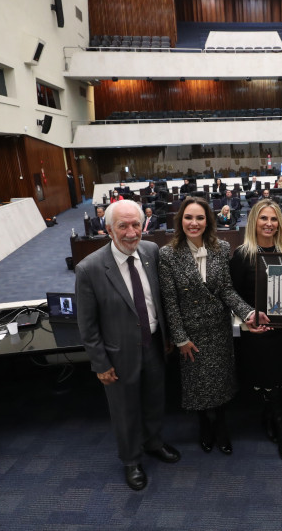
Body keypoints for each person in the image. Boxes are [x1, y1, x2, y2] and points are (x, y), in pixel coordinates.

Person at [75, 200, 181, 491]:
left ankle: (154, 443)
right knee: (125, 411)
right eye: (123, 226)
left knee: (154, 401)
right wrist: (100, 364)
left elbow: (158, 300)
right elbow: (87, 324)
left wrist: (168, 336)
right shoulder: (89, 269)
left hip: (155, 347)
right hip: (117, 356)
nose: (132, 232)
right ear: (108, 229)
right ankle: (131, 460)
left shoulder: (150, 251)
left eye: (136, 224)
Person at [158, 197, 268, 456]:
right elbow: (170, 301)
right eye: (188, 217)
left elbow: (227, 291)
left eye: (199, 218)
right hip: (190, 333)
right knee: (197, 387)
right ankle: (203, 428)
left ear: (208, 221)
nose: (194, 223)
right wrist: (180, 338)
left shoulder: (221, 247)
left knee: (220, 384)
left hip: (218, 329)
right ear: (180, 220)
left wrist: (249, 313)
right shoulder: (168, 254)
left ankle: (221, 427)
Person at [229, 199, 282, 460]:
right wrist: (247, 318)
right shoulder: (242, 254)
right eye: (263, 218)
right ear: (254, 222)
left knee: (279, 379)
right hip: (257, 332)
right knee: (267, 380)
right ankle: (281, 430)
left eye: (273, 219)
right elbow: (232, 294)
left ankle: (269, 417)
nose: (269, 224)